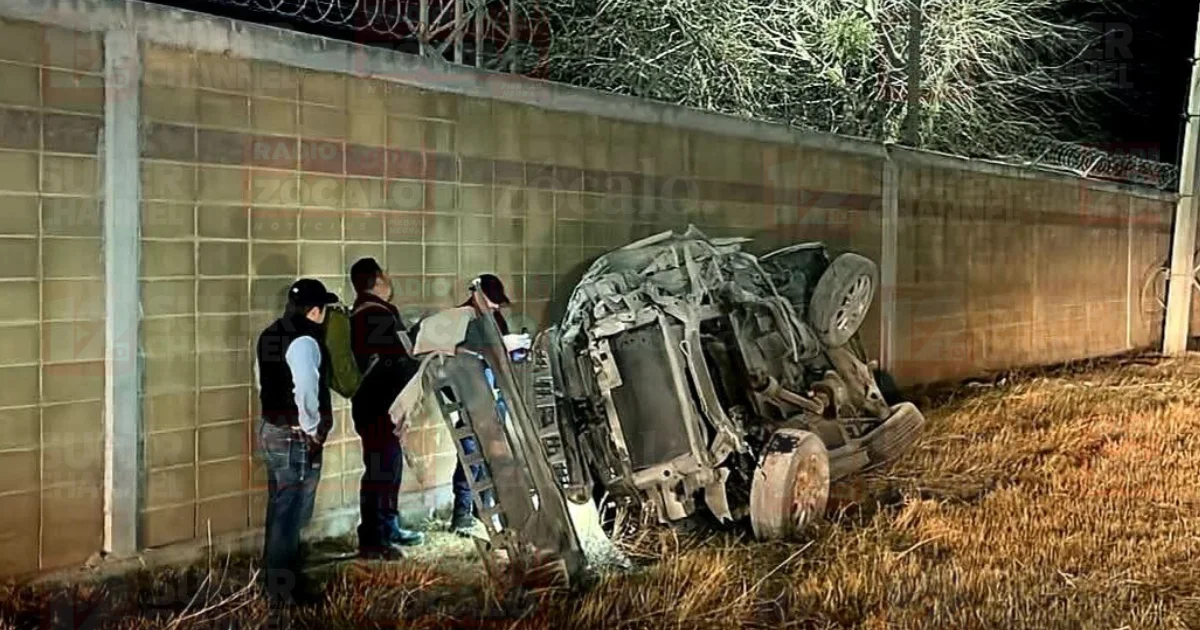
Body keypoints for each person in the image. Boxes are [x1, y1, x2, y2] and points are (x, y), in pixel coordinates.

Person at [254, 278, 340, 605]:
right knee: (290, 513)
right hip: (294, 435)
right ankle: (283, 591)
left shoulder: (270, 333)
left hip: (271, 428)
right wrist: (312, 428)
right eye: (326, 310)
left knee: (280, 506)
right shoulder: (305, 340)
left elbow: (261, 379)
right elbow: (305, 389)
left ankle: (275, 581)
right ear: (315, 311)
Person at [348, 257, 426, 559]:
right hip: (379, 406)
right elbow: (397, 356)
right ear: (377, 280)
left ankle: (389, 527)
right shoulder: (375, 315)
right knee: (380, 471)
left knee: (389, 467)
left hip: (376, 405)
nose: (389, 279)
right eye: (385, 274)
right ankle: (373, 539)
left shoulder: (365, 313)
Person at [448, 274, 530, 536]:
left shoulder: (493, 317)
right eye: (492, 302)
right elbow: (457, 354)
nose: (495, 307)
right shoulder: (461, 319)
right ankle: (461, 515)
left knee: (491, 456)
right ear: (477, 294)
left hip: (494, 394)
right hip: (472, 397)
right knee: (470, 455)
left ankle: (482, 511)